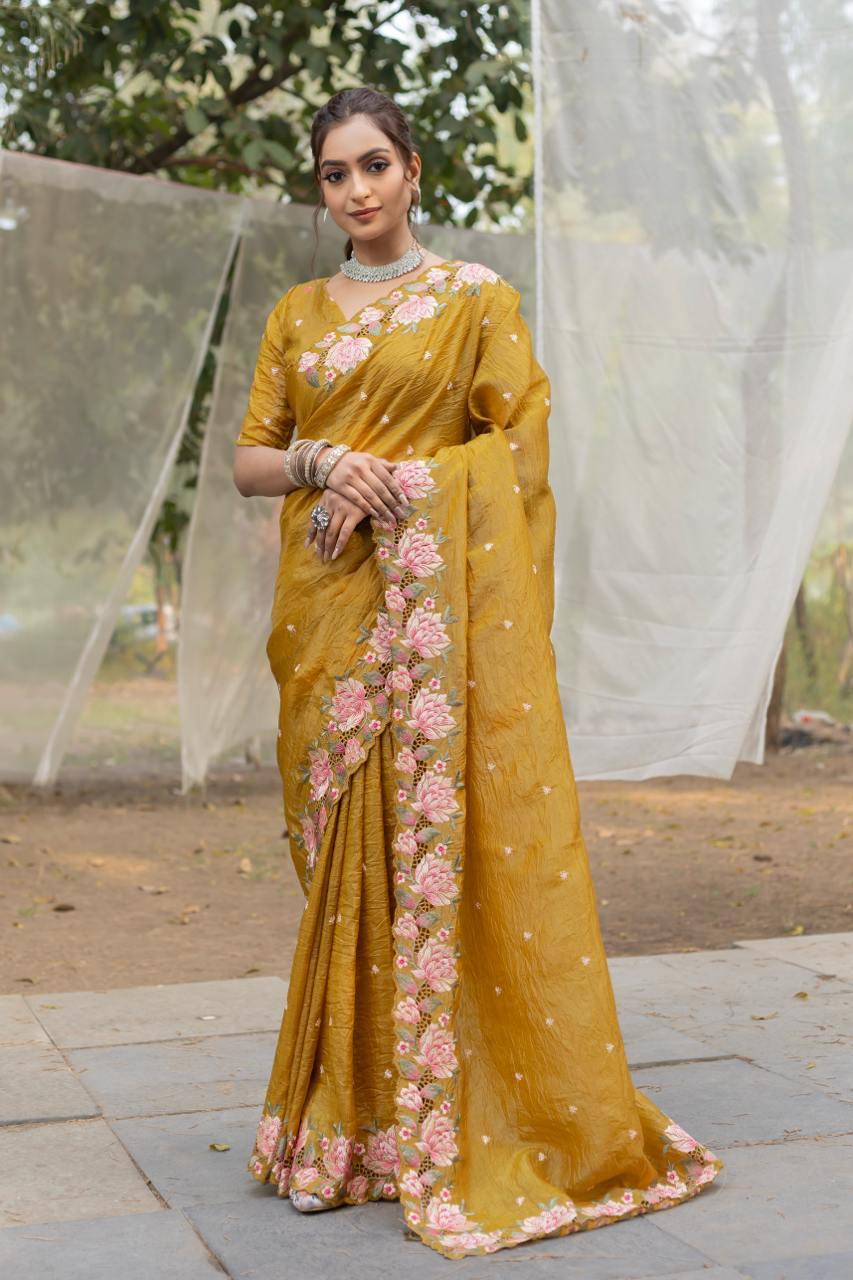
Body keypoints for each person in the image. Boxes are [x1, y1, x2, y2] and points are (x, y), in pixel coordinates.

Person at [232, 85, 723, 1262]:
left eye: (373, 165)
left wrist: (409, 486)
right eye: (334, 174)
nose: (355, 190)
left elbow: (519, 451)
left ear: (412, 169)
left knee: (426, 861)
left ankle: (430, 1123)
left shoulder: (474, 300)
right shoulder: (297, 313)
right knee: (341, 865)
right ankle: (345, 1125)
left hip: (433, 630)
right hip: (327, 619)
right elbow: (252, 458)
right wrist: (323, 460)